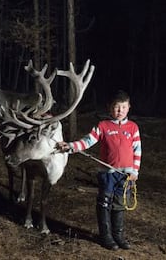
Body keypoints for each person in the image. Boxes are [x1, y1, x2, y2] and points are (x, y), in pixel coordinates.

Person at [56, 90, 142, 251]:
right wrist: (71, 147)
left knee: (119, 205)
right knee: (104, 204)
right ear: (110, 108)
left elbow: (137, 150)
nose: (120, 111)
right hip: (107, 174)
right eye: (116, 107)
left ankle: (118, 235)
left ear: (129, 107)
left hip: (125, 176)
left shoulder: (133, 128)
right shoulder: (103, 126)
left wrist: (135, 171)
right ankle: (106, 236)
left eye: (123, 107)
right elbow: (88, 141)